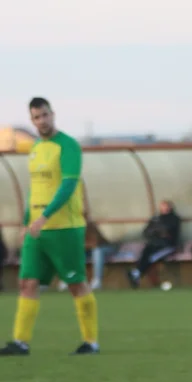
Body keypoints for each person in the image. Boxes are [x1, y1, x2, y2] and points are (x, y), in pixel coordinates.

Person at [1, 97, 100, 356]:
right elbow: (35, 190)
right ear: (32, 120)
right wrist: (26, 222)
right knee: (27, 283)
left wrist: (44, 216)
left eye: (45, 115)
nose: (41, 121)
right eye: (36, 117)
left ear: (53, 114)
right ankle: (20, 342)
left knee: (76, 284)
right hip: (37, 231)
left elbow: (68, 185)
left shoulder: (68, 146)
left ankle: (91, 342)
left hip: (65, 228)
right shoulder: (35, 149)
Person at [127, 200, 182, 288]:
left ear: (170, 207)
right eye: (163, 206)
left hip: (168, 246)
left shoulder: (174, 219)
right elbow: (146, 232)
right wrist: (155, 232)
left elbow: (167, 231)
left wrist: (157, 231)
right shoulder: (156, 218)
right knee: (145, 253)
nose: (165, 208)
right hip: (155, 244)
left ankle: (136, 273)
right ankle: (136, 274)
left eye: (166, 206)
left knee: (152, 258)